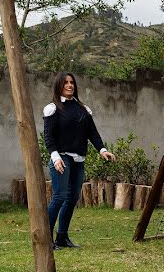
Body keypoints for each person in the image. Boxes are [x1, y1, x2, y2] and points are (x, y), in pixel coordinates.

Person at [42, 72, 115, 250]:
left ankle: (61, 238)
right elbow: (49, 137)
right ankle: (46, 239)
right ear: (59, 85)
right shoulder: (52, 109)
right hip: (61, 158)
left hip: (78, 159)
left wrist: (102, 150)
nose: (70, 85)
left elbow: (92, 133)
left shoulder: (84, 109)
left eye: (72, 82)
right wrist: (55, 157)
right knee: (58, 197)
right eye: (66, 83)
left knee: (72, 198)